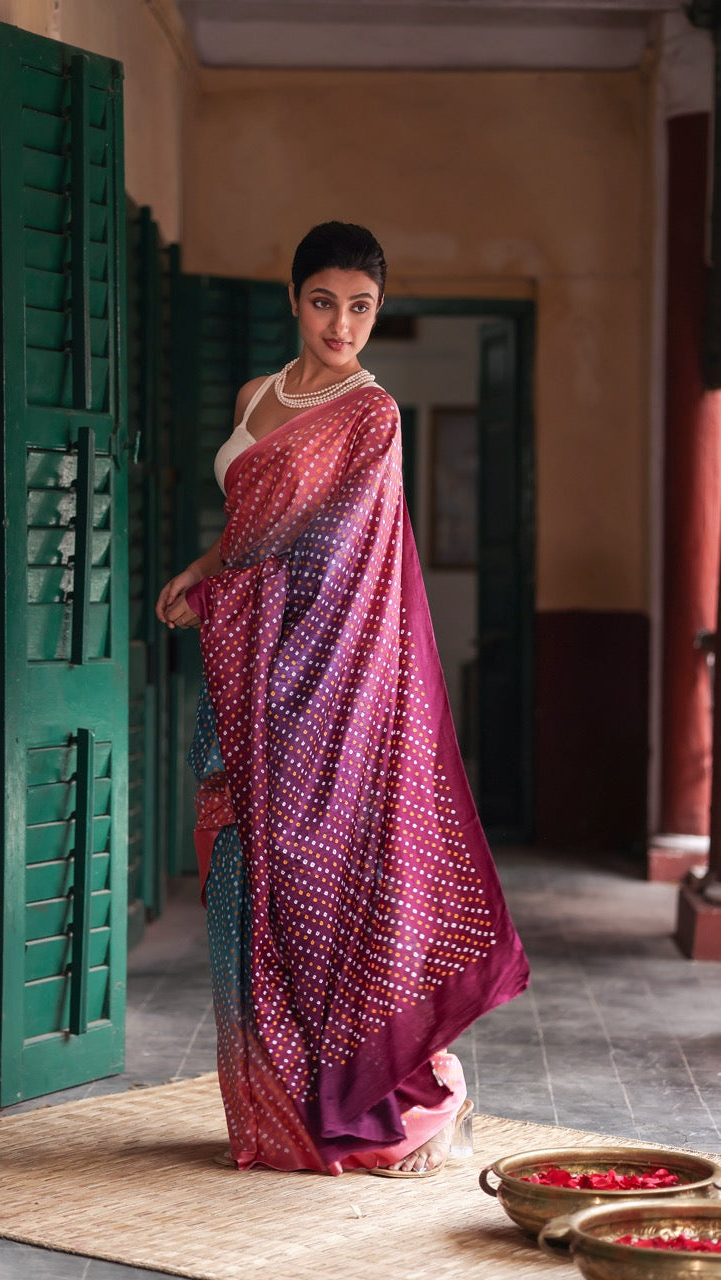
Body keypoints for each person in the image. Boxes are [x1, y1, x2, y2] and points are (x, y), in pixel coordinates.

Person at [155, 221, 528, 1176]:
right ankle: (265, 1115)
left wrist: (221, 595)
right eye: (324, 301)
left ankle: (392, 1099)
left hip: (322, 691)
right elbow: (254, 527)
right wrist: (203, 568)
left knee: (322, 891)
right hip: (240, 677)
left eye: (361, 307)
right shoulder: (255, 397)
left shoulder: (373, 417)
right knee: (238, 883)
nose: (342, 324)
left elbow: (336, 565)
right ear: (293, 300)